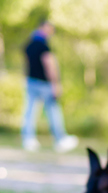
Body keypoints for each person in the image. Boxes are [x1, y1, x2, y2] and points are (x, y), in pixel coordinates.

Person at [22, 19, 78, 153]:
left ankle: (28, 139)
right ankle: (60, 139)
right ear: (43, 28)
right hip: (44, 83)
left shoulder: (29, 44)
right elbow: (50, 65)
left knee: (30, 112)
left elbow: (26, 64)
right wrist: (56, 83)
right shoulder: (44, 46)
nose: (51, 32)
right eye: (49, 29)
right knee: (53, 112)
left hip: (31, 81)